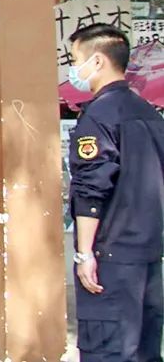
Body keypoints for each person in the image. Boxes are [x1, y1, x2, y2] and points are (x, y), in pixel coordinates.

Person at [67, 23, 164, 362]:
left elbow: (91, 189)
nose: (73, 69)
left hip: (111, 256)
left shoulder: (98, 117)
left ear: (97, 61)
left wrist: (84, 254)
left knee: (107, 349)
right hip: (149, 255)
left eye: (74, 60)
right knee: (145, 348)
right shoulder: (148, 113)